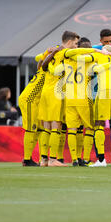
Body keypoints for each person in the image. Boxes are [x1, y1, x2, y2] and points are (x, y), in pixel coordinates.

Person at [37, 31, 81, 167]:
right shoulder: (65, 53)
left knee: (46, 127)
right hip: (56, 92)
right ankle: (53, 159)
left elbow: (39, 61)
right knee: (56, 125)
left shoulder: (53, 51)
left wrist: (50, 52)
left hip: (46, 91)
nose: (76, 46)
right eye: (75, 43)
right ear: (69, 42)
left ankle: (44, 159)